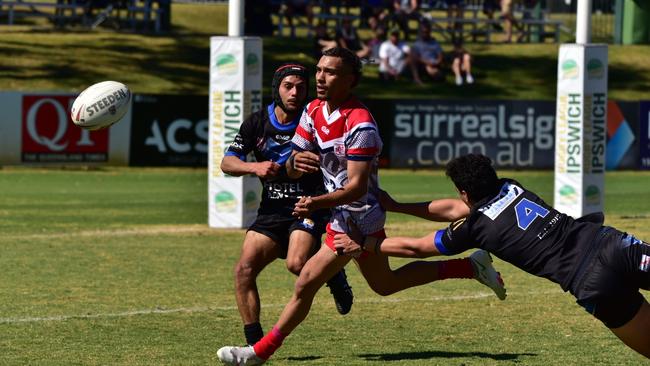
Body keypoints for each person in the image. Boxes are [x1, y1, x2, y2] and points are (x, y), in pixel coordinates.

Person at [217, 48, 506, 365]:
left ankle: (258, 353)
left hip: (360, 220)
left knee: (305, 283)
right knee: (384, 285)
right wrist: (293, 165)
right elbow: (294, 164)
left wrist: (314, 202)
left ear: (350, 80)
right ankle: (469, 267)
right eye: (319, 70)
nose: (320, 78)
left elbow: (354, 188)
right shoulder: (313, 110)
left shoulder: (361, 124)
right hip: (340, 215)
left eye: (330, 72)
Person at [335, 153, 650, 359]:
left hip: (591, 281)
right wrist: (399, 206)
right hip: (612, 244)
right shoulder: (512, 187)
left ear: (465, 193)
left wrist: (365, 243)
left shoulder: (474, 229)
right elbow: (459, 208)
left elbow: (417, 247)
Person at [219, 63, 354, 347]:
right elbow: (226, 162)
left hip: (307, 205)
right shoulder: (256, 122)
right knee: (244, 270)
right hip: (271, 210)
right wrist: (254, 167)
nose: (295, 93)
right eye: (288, 86)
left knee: (297, 264)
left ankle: (335, 275)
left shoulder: (315, 119)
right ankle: (254, 344)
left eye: (301, 87)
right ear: (276, 89)